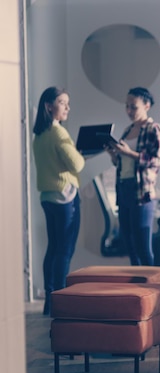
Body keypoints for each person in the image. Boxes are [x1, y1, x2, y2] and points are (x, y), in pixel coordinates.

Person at [32, 86, 85, 315]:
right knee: (64, 251)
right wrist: (79, 153)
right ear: (49, 106)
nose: (67, 107)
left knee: (53, 249)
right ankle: (61, 302)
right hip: (65, 197)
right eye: (62, 103)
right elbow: (77, 165)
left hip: (47, 196)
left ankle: (50, 300)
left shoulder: (39, 135)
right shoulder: (59, 133)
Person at [105, 87, 160, 266]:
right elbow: (120, 164)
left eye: (134, 107)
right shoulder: (127, 130)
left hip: (141, 191)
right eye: (127, 107)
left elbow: (157, 161)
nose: (129, 111)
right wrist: (113, 154)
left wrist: (130, 153)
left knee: (143, 248)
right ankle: (137, 290)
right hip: (123, 188)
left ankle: (152, 291)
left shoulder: (154, 129)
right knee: (128, 245)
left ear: (146, 105)